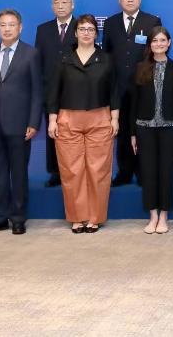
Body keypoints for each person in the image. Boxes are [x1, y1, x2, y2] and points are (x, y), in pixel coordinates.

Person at [47, 14, 121, 233]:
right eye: (82, 29)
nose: (86, 33)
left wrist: (115, 118)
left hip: (100, 118)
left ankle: (95, 218)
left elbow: (114, 91)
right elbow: (53, 92)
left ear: (96, 34)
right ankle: (77, 217)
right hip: (68, 119)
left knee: (98, 170)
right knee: (72, 171)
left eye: (90, 29)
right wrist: (52, 120)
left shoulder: (106, 59)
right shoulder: (63, 59)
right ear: (76, 33)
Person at [0, 9, 42, 235]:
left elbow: (37, 92)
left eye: (11, 24)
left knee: (19, 174)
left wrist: (33, 122)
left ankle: (19, 218)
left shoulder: (31, 53)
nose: (7, 29)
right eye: (3, 25)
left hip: (20, 125)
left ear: (20, 27)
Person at [102, 0, 162, 186]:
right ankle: (124, 172)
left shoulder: (152, 21)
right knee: (122, 130)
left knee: (143, 130)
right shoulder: (110, 23)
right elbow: (106, 55)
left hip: (144, 86)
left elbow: (157, 52)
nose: (130, 0)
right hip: (118, 87)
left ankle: (144, 171)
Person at [129, 26, 173, 234]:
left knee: (166, 173)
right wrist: (133, 133)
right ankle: (152, 215)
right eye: (155, 40)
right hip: (144, 128)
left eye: (163, 40)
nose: (159, 44)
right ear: (150, 44)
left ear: (169, 43)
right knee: (148, 173)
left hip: (169, 128)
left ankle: (164, 216)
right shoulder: (140, 68)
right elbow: (133, 103)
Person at [34, 0, 77, 187]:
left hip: (75, 90)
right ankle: (55, 171)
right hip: (50, 90)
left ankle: (73, 170)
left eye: (64, 2)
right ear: (52, 6)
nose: (60, 6)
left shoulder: (81, 26)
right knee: (53, 132)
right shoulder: (43, 29)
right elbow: (38, 61)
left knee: (74, 133)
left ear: (72, 5)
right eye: (56, 2)